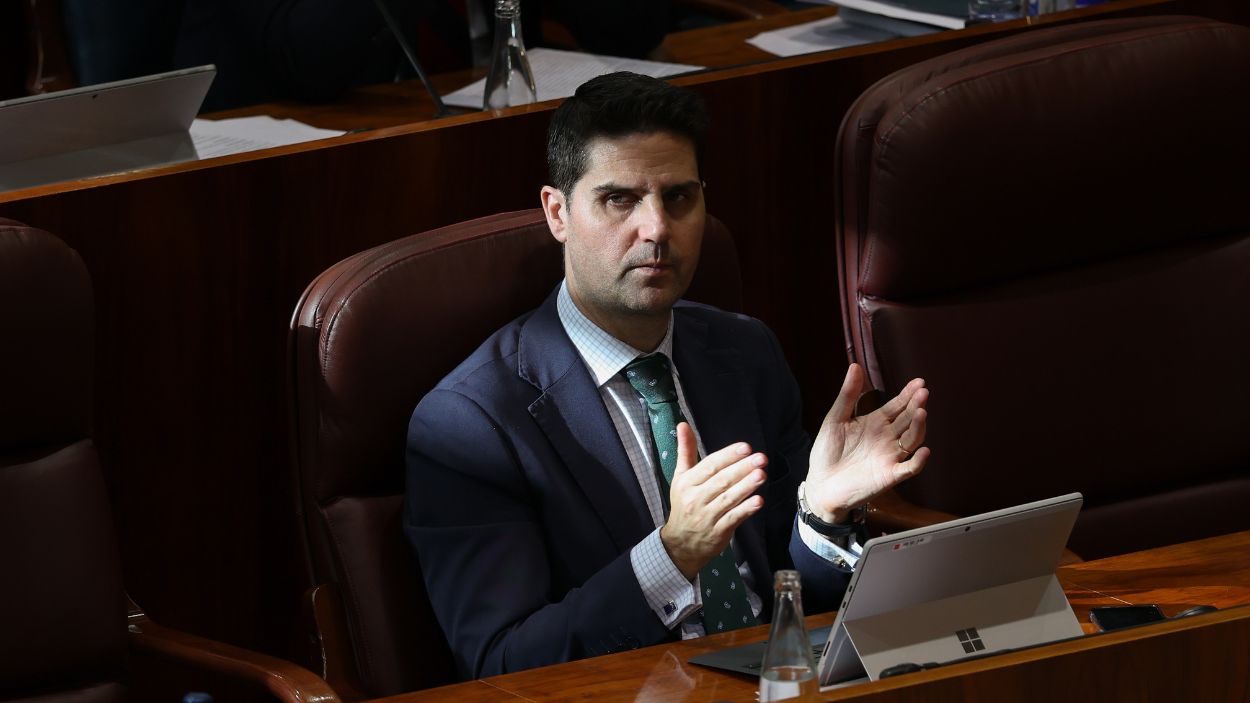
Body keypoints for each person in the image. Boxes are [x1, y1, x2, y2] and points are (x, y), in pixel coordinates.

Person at [403, 71, 929, 680]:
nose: (656, 229)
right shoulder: (472, 421)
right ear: (557, 213)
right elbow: (502, 666)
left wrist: (822, 513)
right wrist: (672, 556)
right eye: (619, 199)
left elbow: (797, 609)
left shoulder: (743, 351)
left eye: (679, 197)